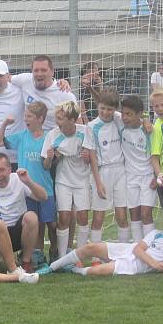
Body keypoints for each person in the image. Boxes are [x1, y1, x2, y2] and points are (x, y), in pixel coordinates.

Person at [39, 207, 163, 277]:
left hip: (136, 266)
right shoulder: (156, 234)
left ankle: (72, 270)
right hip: (129, 250)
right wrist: (155, 264)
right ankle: (52, 268)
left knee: (96, 272)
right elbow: (138, 250)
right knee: (91, 247)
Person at [0, 101, 55, 266]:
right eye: (25, 116)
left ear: (40, 118)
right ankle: (36, 255)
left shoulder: (49, 137)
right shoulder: (22, 136)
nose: (25, 119)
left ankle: (54, 252)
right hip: (26, 190)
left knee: (51, 223)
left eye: (29, 116)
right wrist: (5, 124)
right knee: (34, 223)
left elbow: (47, 165)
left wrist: (51, 156)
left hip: (45, 189)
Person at [41, 101, 95, 257]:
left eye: (61, 118)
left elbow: (92, 158)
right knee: (64, 217)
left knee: (83, 217)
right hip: (63, 180)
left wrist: (87, 157)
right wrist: (51, 158)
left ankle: (81, 255)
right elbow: (45, 165)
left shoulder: (85, 131)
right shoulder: (52, 135)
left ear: (72, 120)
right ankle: (62, 256)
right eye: (57, 118)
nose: (57, 122)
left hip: (82, 180)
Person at [87, 90, 131, 245]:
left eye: (110, 109)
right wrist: (98, 182)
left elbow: (133, 115)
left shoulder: (119, 119)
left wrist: (145, 121)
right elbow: (92, 156)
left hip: (120, 170)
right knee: (98, 217)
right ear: (98, 107)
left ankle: (123, 250)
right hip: (102, 172)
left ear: (115, 110)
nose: (106, 112)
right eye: (102, 108)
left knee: (121, 215)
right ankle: (95, 255)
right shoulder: (92, 126)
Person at [120, 95, 157, 244]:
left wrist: (156, 175)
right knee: (134, 214)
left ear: (139, 114)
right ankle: (136, 248)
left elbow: (156, 154)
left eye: (129, 114)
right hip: (130, 177)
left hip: (148, 176)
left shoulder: (148, 130)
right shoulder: (120, 126)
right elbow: (105, 104)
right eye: (123, 113)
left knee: (146, 213)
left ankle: (149, 247)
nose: (125, 117)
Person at [10, 55, 76, 132]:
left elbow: (78, 124)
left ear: (52, 72)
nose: (39, 74)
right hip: (31, 137)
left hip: (53, 139)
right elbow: (6, 78)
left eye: (44, 70)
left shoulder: (64, 94)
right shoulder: (25, 80)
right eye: (36, 70)